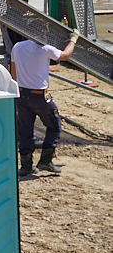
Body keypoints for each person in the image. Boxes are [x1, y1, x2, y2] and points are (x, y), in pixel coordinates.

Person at [11, 30, 76, 176]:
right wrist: (73, 40)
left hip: (22, 94)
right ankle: (45, 161)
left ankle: (26, 166)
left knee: (25, 130)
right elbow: (65, 56)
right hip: (39, 96)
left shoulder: (17, 47)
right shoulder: (45, 49)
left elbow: (13, 72)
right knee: (54, 126)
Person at [1, 0, 30, 69]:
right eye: (22, 3)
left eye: (27, 2)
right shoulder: (15, 21)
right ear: (12, 3)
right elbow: (22, 43)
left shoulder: (7, 17)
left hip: (14, 57)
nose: (26, 6)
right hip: (19, 60)